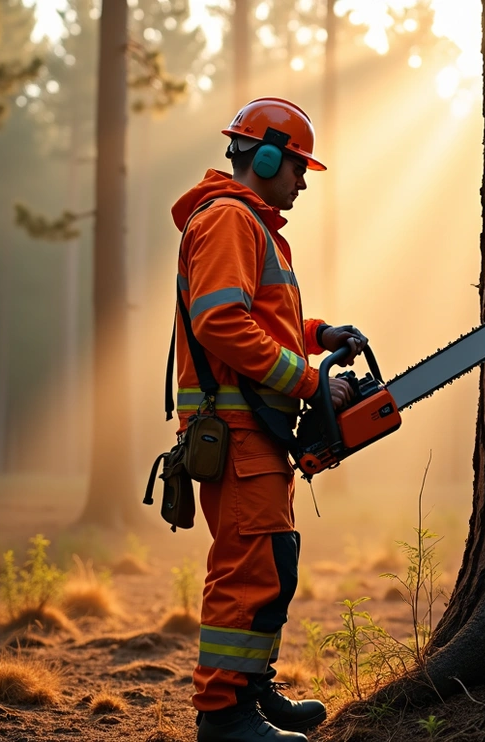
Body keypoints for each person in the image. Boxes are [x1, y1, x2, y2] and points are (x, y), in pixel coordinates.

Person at [169, 97, 367, 741]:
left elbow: (262, 318)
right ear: (267, 156)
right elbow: (220, 322)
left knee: (270, 565)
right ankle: (224, 717)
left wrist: (316, 334)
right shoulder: (230, 220)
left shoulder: (252, 225)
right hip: (237, 435)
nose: (302, 181)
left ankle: (249, 689)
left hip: (258, 434)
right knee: (247, 569)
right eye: (297, 167)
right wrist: (311, 379)